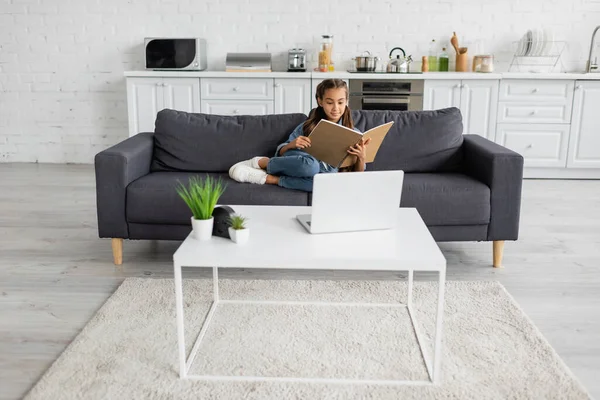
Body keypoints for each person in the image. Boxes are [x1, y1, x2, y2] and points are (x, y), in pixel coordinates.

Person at [228, 79, 371, 192]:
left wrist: (361, 157)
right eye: (329, 102)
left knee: (328, 183)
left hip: (322, 175)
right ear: (320, 101)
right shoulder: (308, 126)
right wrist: (292, 144)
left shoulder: (355, 134)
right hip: (300, 163)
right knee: (311, 166)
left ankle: (269, 178)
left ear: (346, 101)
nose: (335, 108)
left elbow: (356, 178)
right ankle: (261, 162)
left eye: (340, 102)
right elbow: (282, 152)